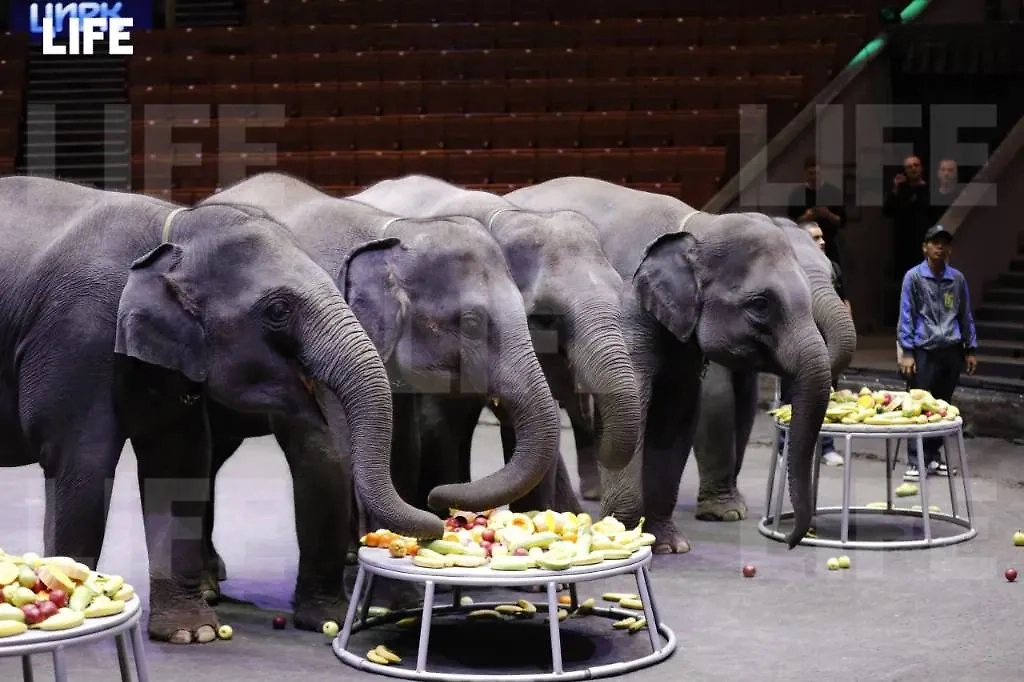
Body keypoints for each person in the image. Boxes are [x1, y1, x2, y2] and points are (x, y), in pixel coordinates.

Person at [897, 224, 978, 482]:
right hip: (924, 349)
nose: (940, 247)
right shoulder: (914, 277)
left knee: (942, 406)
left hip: (951, 349)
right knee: (918, 406)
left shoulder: (957, 279)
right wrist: (907, 351)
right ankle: (915, 460)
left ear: (949, 249)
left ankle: (933, 456)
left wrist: (970, 348)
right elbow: (906, 314)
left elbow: (965, 315)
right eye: (934, 242)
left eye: (944, 243)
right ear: (925, 247)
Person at [776, 220, 848, 467]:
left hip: (827, 341)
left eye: (822, 237)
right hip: (798, 342)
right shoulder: (788, 269)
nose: (822, 241)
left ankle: (826, 446)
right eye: (815, 238)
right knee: (793, 396)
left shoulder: (832, 267)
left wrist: (845, 332)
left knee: (827, 395)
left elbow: (843, 301)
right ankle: (786, 446)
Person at [787, 154, 846, 268]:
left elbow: (842, 221)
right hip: (804, 247)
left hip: (829, 246)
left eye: (816, 173)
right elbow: (790, 224)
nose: (814, 177)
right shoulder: (797, 194)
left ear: (822, 172)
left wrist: (828, 214)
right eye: (811, 173)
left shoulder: (833, 192)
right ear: (805, 173)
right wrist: (806, 217)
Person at [883, 155, 933, 282]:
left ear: (921, 168)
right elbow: (887, 211)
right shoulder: (901, 191)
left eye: (916, 165)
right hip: (904, 245)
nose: (913, 169)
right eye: (909, 167)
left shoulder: (929, 190)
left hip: (924, 243)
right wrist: (895, 188)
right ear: (905, 171)